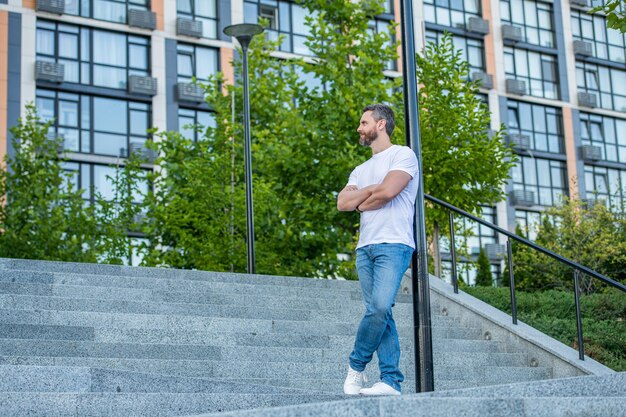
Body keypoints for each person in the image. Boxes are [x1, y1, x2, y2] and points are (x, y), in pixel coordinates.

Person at [337, 103, 419, 396]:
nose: (359, 128)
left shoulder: (403, 155)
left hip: (394, 244)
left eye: (363, 122)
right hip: (365, 249)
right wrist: (371, 193)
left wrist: (366, 195)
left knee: (381, 307)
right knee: (379, 312)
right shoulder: (360, 169)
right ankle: (390, 381)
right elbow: (343, 204)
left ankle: (356, 366)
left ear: (381, 124)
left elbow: (387, 192)